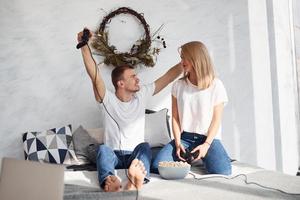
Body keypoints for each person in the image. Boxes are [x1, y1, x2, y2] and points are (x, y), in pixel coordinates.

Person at [77, 29, 182, 192]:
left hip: (135, 155)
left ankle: (137, 179)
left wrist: (186, 62)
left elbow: (167, 77)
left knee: (145, 147)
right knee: (103, 150)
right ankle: (109, 181)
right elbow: (95, 76)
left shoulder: (142, 94)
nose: (138, 78)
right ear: (121, 83)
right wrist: (84, 46)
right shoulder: (107, 99)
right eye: (133, 76)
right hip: (114, 155)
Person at [152, 41, 232, 175]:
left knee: (223, 171)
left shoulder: (216, 85)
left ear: (196, 59)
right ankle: (192, 158)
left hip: (208, 138)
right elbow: (175, 118)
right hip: (185, 138)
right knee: (156, 166)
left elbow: (216, 120)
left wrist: (206, 145)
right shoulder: (178, 85)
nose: (181, 61)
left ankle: (203, 156)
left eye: (185, 58)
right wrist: (178, 143)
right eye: (181, 57)